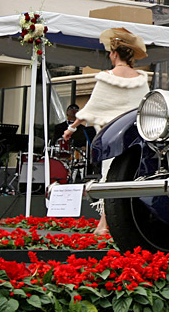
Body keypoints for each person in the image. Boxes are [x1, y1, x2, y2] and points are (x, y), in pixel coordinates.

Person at [64, 28, 150, 237]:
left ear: (114, 54)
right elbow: (145, 107)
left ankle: (104, 224)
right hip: (136, 139)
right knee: (132, 178)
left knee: (109, 178)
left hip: (112, 139)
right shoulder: (141, 79)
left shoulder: (106, 77)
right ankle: (123, 225)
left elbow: (91, 108)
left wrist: (71, 128)